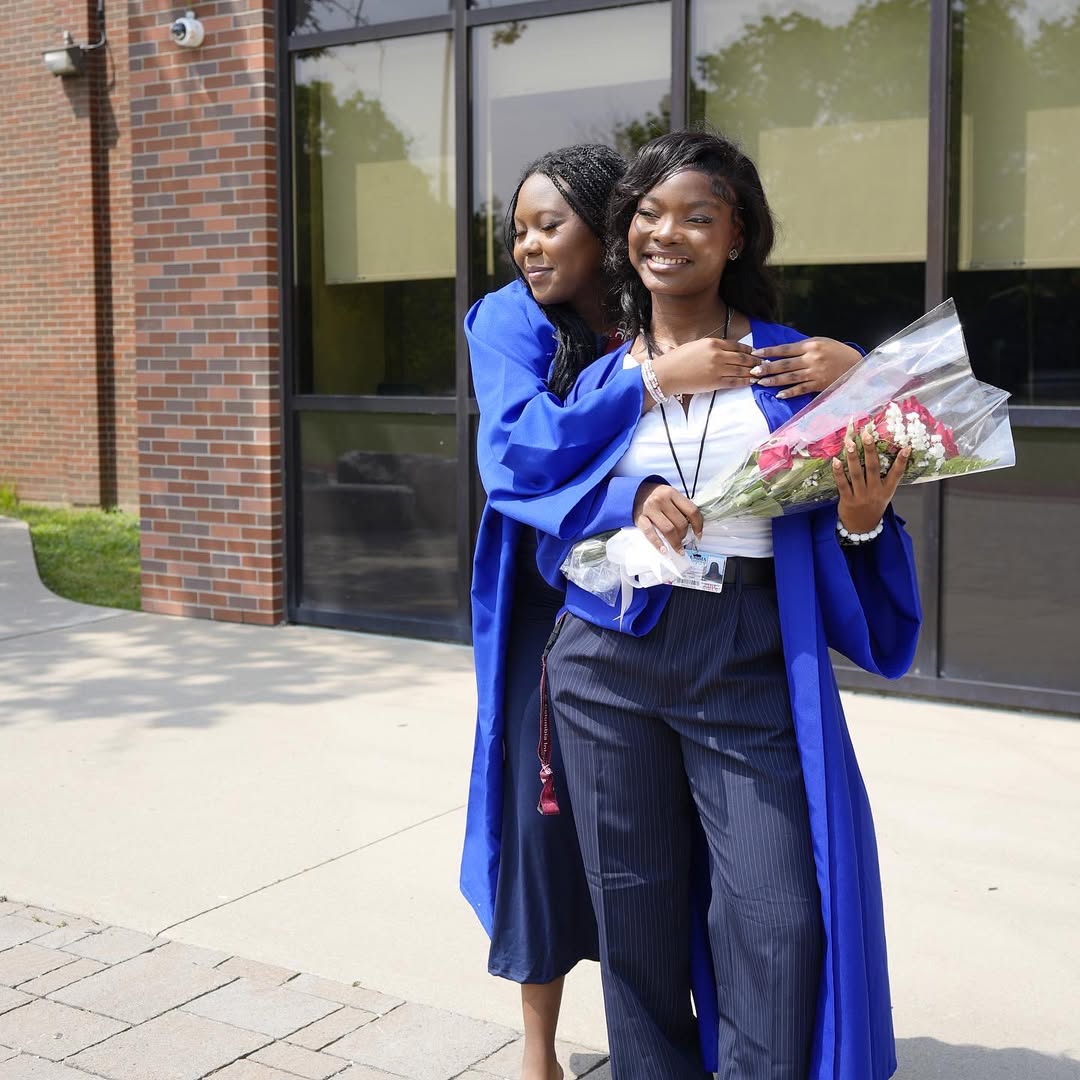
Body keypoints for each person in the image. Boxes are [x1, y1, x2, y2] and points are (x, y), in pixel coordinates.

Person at [462, 143, 866, 1080]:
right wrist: (632, 486)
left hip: (742, 650)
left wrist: (860, 400)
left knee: (777, 912)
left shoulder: (785, 360)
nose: (667, 234)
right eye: (650, 214)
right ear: (625, 231)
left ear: (737, 235)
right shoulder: (586, 364)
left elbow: (891, 462)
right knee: (629, 907)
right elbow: (530, 475)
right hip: (601, 646)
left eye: (696, 216)